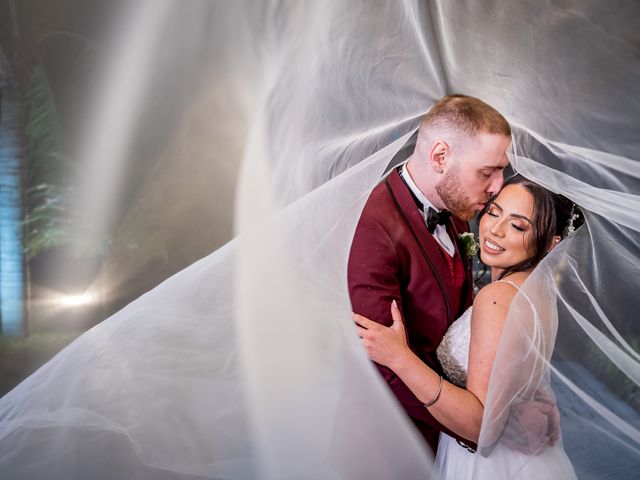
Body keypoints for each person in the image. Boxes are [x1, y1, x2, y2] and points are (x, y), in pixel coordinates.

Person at [355, 174, 581, 479]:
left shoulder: (496, 298)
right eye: (493, 212)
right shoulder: (538, 292)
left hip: (488, 465)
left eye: (517, 226)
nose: (494, 231)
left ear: (552, 243)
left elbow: (480, 426)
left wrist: (399, 356)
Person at [348, 93, 514, 452]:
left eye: (501, 170)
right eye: (487, 171)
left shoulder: (457, 206)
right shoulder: (373, 226)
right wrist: (480, 425)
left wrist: (506, 403)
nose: (498, 186)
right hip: (391, 445)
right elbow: (381, 361)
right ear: (440, 156)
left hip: (453, 425)